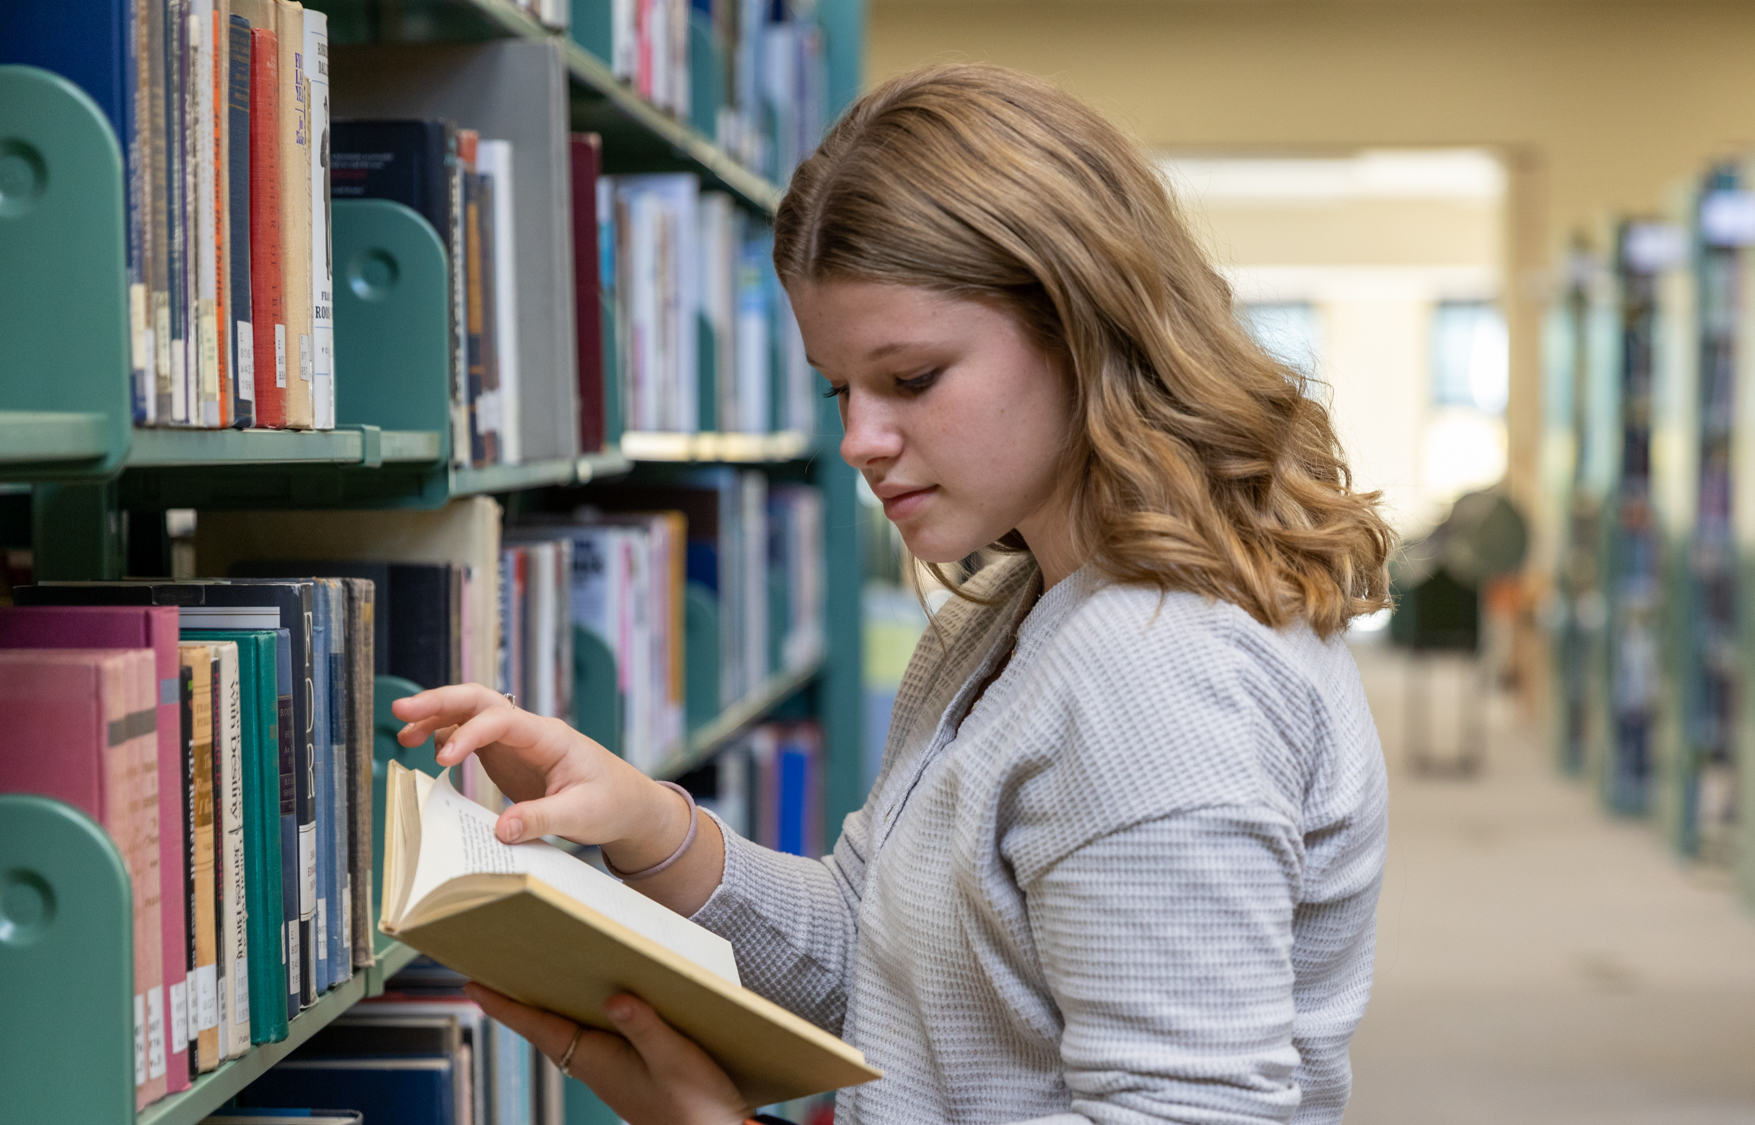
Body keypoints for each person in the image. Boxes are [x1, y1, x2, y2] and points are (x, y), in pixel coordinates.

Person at [391, 63, 1394, 1125]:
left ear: (1082, 325)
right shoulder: (1008, 613)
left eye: (911, 379)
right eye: (840, 386)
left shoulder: (1156, 673)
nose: (856, 442)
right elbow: (877, 956)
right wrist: (651, 830)